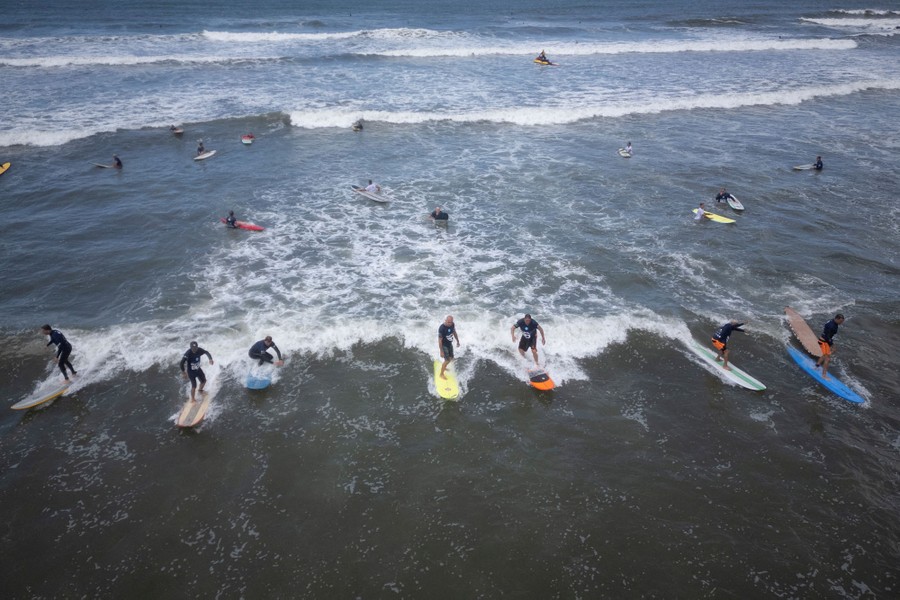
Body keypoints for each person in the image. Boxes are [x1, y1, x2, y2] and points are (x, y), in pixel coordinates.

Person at [814, 313, 844, 380]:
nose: (841, 323)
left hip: (826, 341)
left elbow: (829, 336)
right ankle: (824, 375)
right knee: (827, 358)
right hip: (824, 341)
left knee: (824, 355)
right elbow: (827, 337)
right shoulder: (831, 325)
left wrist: (832, 345)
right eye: (840, 321)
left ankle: (816, 366)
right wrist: (832, 345)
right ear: (837, 319)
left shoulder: (834, 322)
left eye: (842, 321)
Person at [437, 315, 460, 380]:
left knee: (451, 358)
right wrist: (441, 351)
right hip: (444, 345)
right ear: (445, 321)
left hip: (449, 344)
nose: (450, 323)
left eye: (451, 322)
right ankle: (441, 374)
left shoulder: (452, 324)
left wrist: (458, 341)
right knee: (447, 360)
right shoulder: (442, 328)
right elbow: (440, 341)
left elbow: (454, 332)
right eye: (449, 322)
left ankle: (444, 366)